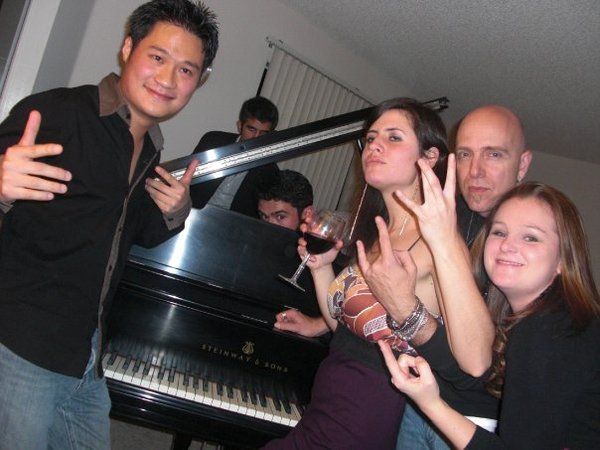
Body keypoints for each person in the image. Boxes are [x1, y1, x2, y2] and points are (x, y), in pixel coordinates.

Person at [0, 1, 219, 448]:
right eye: (157, 57)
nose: (167, 79)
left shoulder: (153, 149)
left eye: (186, 70)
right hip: (22, 349)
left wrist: (177, 210)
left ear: (199, 81)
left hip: (88, 354)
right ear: (127, 48)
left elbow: (131, 234)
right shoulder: (57, 113)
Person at [264, 97, 449, 449]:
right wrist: (321, 268)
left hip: (366, 412)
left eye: (394, 137)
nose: (374, 145)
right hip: (329, 402)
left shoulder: (434, 245)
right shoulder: (377, 233)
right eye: (372, 137)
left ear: (428, 158)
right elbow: (347, 331)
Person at [380, 181, 600, 449]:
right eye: (499, 232)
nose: (507, 245)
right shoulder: (541, 320)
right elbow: (481, 378)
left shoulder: (551, 329)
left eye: (530, 237)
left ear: (563, 261)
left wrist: (432, 405)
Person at [394, 104, 534, 449]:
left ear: (523, 165)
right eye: (466, 154)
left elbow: (481, 366)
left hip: (476, 424)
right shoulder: (447, 214)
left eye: (494, 154)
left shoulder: (530, 244)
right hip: (420, 402)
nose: (475, 171)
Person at [189, 96, 280, 216]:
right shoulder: (213, 142)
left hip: (232, 224)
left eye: (263, 133)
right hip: (191, 214)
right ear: (239, 126)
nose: (256, 137)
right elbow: (188, 179)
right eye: (251, 129)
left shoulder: (269, 170)